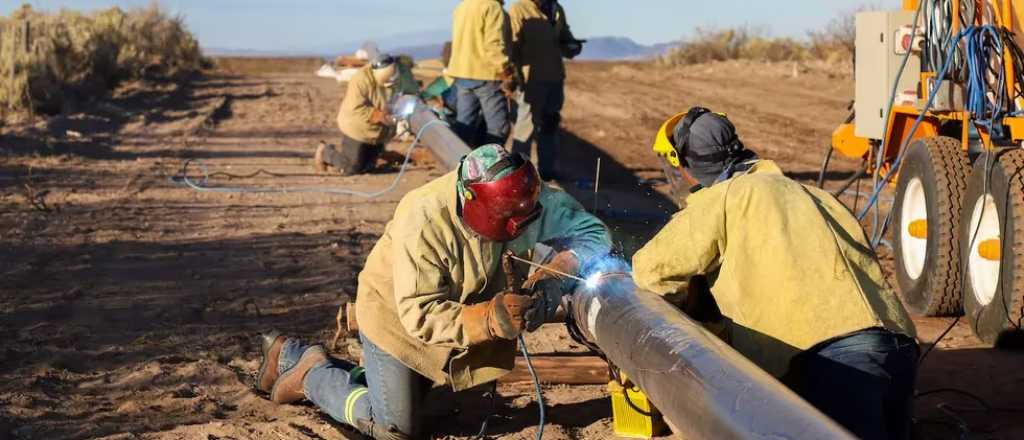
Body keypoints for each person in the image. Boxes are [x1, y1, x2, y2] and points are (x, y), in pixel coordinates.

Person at [256, 144, 611, 439]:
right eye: (507, 221)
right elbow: (419, 314)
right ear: (472, 202)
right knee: (395, 427)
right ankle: (311, 374)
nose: (518, 227)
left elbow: (596, 236)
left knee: (425, 400)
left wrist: (554, 280)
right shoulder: (424, 217)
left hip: (456, 316)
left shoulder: (528, 200)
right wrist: (488, 320)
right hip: (395, 318)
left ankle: (320, 363)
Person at [632, 107, 920, 440]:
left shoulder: (725, 197)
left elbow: (652, 270)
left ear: (687, 166)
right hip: (897, 348)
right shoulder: (814, 194)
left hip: (835, 364)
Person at [508, 0, 582, 181]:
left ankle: (546, 172)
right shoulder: (519, 10)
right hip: (530, 80)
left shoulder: (556, 8)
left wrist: (572, 46)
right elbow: (511, 46)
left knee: (550, 124)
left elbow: (564, 36)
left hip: (555, 77)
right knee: (525, 127)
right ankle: (518, 175)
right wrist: (513, 77)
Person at [314, 54, 412, 175]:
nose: (391, 84)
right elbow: (357, 109)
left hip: (377, 132)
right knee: (351, 168)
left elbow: (400, 99)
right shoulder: (360, 80)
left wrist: (401, 118)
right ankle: (325, 152)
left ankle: (370, 159)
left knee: (368, 168)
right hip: (356, 127)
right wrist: (383, 117)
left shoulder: (394, 78)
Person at [448, 0, 517, 147]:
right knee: (499, 128)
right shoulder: (492, 7)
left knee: (464, 126)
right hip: (486, 75)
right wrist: (505, 70)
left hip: (463, 74)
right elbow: (494, 44)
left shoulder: (463, 6)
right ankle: (490, 167)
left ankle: (459, 166)